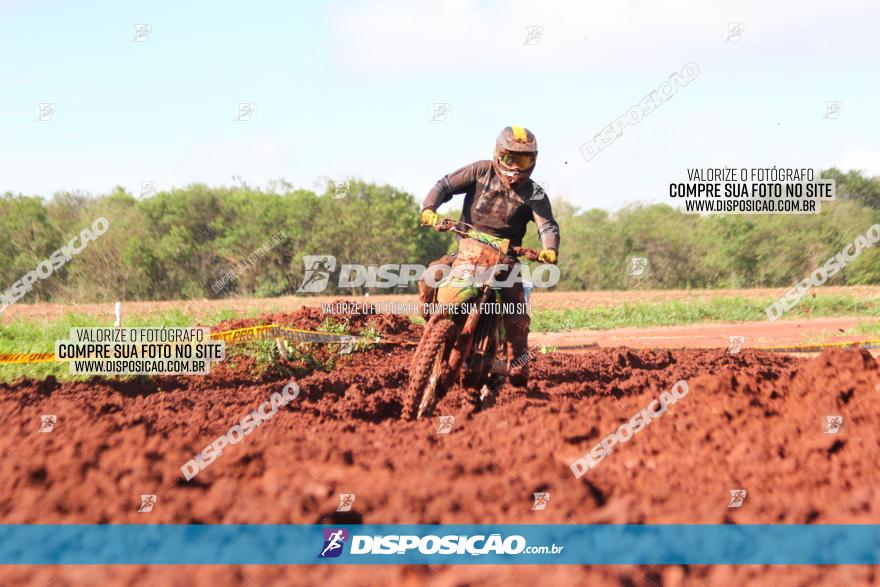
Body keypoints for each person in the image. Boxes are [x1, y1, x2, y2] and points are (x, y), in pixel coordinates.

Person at [418, 125, 560, 386]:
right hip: (466, 251)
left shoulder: (534, 192)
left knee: (516, 312)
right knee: (431, 276)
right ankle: (432, 331)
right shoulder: (480, 171)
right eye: (511, 158)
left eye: (524, 159)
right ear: (498, 155)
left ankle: (519, 359)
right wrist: (429, 208)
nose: (517, 166)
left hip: (505, 260)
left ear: (533, 161)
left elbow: (547, 225)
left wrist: (549, 249)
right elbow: (445, 185)